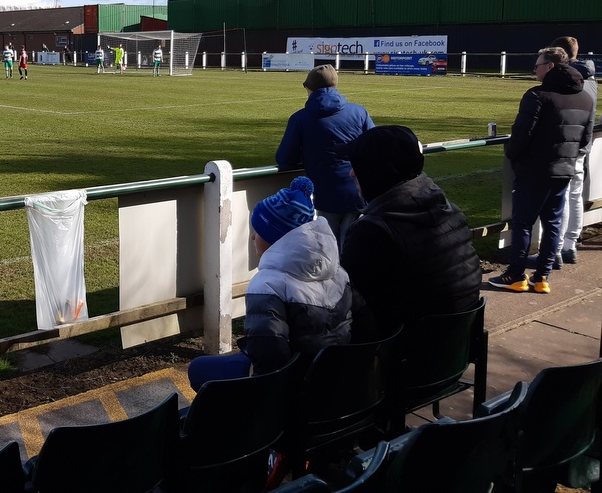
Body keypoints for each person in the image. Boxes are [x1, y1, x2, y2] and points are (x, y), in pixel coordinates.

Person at [187, 176, 353, 390]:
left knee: (198, 369)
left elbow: (269, 357)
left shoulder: (267, 286)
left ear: (275, 238)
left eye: (258, 231)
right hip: (336, 374)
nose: (252, 237)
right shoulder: (339, 273)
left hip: (296, 386)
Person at [338, 125, 481, 336]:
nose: (351, 173)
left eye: (358, 166)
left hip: (411, 345)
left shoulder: (373, 231)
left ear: (376, 171)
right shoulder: (448, 209)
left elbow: (345, 299)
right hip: (459, 338)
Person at [489, 47, 594, 294]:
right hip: (564, 170)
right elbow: (585, 139)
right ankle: (542, 278)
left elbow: (521, 135)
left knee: (523, 223)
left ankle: (516, 275)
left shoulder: (537, 95)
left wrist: (513, 157)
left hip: (533, 172)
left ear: (550, 66)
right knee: (553, 224)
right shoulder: (586, 99)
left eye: (537, 65)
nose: (534, 70)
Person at [276, 64, 374, 250]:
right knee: (352, 248)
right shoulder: (359, 112)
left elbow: (285, 159)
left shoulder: (300, 118)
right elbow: (374, 146)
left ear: (309, 88)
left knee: (330, 251)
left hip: (326, 195)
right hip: (358, 193)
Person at [551, 36, 597, 266]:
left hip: (567, 144)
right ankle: (569, 245)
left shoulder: (568, 78)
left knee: (563, 196)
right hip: (582, 143)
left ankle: (557, 248)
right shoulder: (592, 80)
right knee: (575, 195)